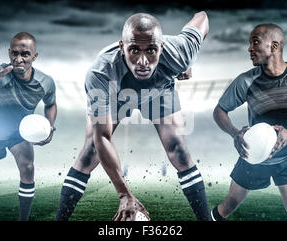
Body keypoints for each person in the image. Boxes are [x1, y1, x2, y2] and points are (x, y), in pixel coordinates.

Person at [56, 12, 211, 221]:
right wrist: (124, 195)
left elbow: (202, 17)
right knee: (90, 150)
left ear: (162, 47)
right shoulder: (101, 73)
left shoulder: (181, 52)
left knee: (179, 150)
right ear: (122, 47)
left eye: (152, 50)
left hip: (158, 91)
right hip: (117, 94)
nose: (142, 61)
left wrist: (187, 62)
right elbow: (102, 137)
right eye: (134, 50)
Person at [210, 23, 287, 221]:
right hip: (253, 157)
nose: (249, 48)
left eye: (255, 42)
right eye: (250, 43)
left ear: (274, 46)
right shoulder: (245, 81)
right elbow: (219, 111)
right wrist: (235, 133)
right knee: (229, 205)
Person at [0, 32, 57, 221]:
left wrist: (50, 126)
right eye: (14, 53)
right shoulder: (0, 73)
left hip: (20, 133)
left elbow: (51, 104)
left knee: (28, 168)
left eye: (25, 54)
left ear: (35, 56)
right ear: (9, 53)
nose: (18, 59)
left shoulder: (45, 82)